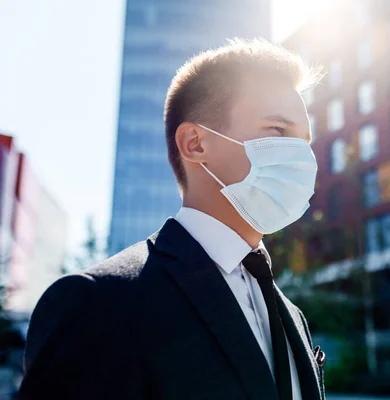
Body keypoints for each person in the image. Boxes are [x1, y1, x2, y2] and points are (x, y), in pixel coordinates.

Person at [19, 38, 325, 400]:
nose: (300, 156)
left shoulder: (291, 316)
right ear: (195, 143)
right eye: (277, 130)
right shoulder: (97, 302)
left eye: (304, 141)